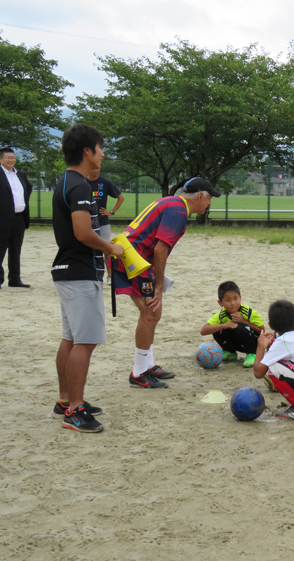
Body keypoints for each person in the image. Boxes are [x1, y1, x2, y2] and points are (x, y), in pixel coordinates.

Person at [51, 125, 124, 432]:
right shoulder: (79, 185)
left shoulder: (65, 181)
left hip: (67, 271)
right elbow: (83, 233)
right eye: (100, 147)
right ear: (87, 151)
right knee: (86, 340)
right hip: (80, 272)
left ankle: (65, 400)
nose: (103, 153)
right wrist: (111, 248)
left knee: (71, 338)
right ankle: (75, 411)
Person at [113, 176, 218, 388]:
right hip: (133, 261)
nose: (210, 203)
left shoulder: (172, 202)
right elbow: (160, 250)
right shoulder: (179, 210)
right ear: (199, 196)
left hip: (131, 257)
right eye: (209, 198)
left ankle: (147, 364)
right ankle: (139, 372)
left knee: (152, 313)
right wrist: (159, 286)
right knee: (151, 313)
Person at [200, 281, 264, 368]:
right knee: (217, 328)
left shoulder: (248, 312)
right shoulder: (221, 315)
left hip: (253, 343)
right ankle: (230, 352)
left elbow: (262, 331)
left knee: (239, 327)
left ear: (240, 298)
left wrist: (244, 321)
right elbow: (203, 331)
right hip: (239, 344)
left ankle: (252, 354)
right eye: (228, 300)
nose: (233, 303)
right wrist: (223, 325)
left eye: (235, 298)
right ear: (220, 303)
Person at [0, 146, 33, 288]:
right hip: (2, 218)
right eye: (8, 157)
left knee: (16, 249)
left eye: (13, 157)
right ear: (1, 159)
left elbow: (28, 188)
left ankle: (14, 278)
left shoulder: (20, 174)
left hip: (19, 217)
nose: (11, 160)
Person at [87, 168, 125, 269]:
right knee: (89, 250)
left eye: (98, 168)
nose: (95, 170)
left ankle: (109, 276)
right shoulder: (83, 183)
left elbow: (121, 197)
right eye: (93, 168)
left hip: (103, 221)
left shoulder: (105, 183)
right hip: (87, 222)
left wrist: (112, 212)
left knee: (107, 250)